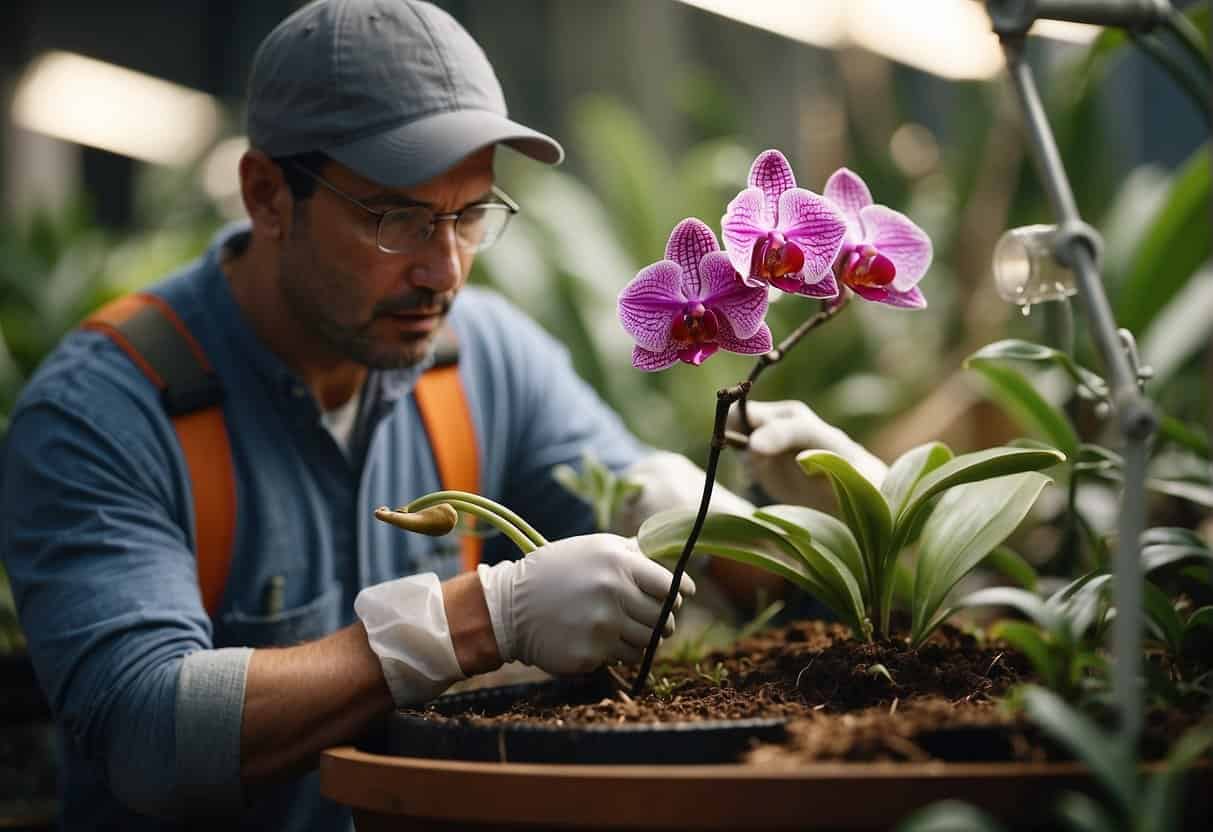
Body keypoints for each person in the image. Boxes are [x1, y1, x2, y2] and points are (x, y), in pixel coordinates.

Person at [0, 1, 882, 828]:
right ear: (268, 196)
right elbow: (149, 735)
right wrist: (473, 621)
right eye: (397, 220)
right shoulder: (106, 412)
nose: (445, 270)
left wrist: (811, 520)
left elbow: (665, 533)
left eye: (469, 217)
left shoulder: (482, 355)